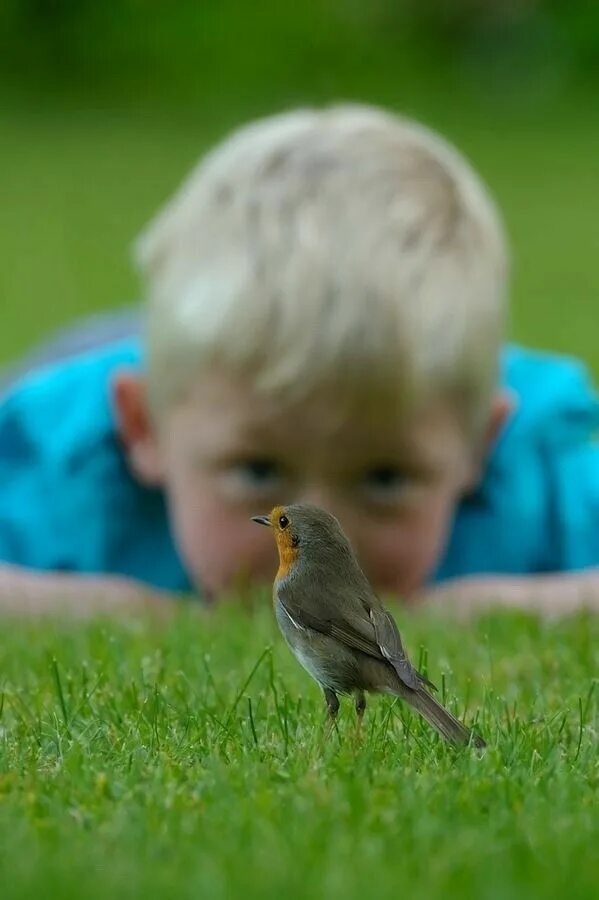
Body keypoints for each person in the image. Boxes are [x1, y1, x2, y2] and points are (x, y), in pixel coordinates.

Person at [1, 104, 597, 616]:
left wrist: (508, 605)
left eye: (384, 478)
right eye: (258, 472)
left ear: (477, 445)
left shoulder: (541, 467)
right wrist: (104, 608)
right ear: (144, 428)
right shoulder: (58, 468)